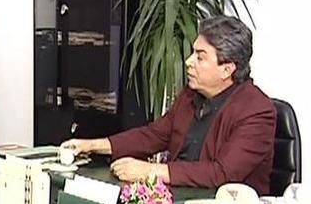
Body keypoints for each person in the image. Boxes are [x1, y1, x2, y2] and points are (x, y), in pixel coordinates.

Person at [62, 15, 276, 194]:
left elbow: (222, 173)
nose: (189, 62)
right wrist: (92, 145)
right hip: (178, 199)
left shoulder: (257, 111)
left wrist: (150, 171)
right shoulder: (191, 94)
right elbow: (154, 135)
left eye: (200, 58)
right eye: (192, 53)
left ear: (227, 70)